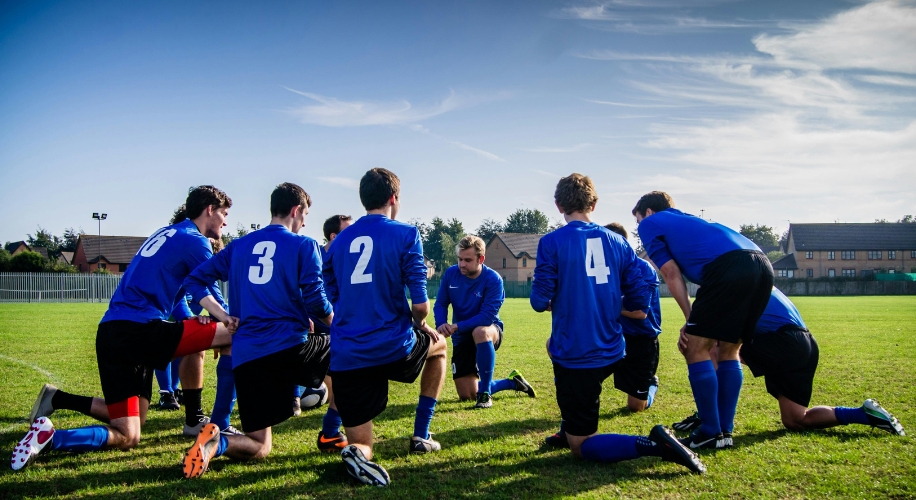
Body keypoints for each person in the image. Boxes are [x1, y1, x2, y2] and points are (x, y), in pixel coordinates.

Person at [12, 186, 237, 471]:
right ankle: (208, 422)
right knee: (232, 334)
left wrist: (198, 323)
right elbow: (211, 290)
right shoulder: (196, 241)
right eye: (224, 214)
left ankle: (50, 435)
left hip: (111, 332)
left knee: (129, 432)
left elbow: (173, 297)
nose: (225, 222)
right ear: (209, 209)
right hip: (139, 331)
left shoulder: (166, 233)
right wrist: (227, 321)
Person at [531, 174, 704, 474]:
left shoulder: (551, 242)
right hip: (614, 348)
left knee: (581, 446)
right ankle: (570, 422)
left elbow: (538, 300)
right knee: (558, 356)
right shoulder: (618, 243)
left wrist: (553, 298)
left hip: (577, 354)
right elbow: (642, 289)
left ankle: (653, 444)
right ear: (594, 204)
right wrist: (614, 302)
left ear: (558, 205)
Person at [180, 182, 341, 478]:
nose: (305, 222)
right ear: (296, 210)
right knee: (351, 357)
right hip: (289, 349)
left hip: (247, 356)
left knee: (259, 445)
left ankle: (215, 444)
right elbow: (318, 301)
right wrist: (340, 325)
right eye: (305, 215)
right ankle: (332, 432)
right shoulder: (305, 244)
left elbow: (193, 280)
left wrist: (222, 315)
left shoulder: (240, 245)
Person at [324, 168, 447, 486]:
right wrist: (420, 324)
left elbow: (330, 300)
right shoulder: (406, 234)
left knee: (363, 443)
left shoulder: (336, 244)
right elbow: (420, 306)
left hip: (349, 354)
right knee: (441, 348)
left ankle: (356, 454)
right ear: (394, 198)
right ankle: (421, 434)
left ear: (364, 199)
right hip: (393, 346)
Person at [633, 191, 773, 450]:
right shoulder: (686, 221)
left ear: (648, 213)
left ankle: (710, 430)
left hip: (729, 267)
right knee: (729, 349)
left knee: (695, 347)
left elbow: (670, 272)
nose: (640, 227)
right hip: (762, 264)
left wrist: (690, 318)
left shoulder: (652, 223)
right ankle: (724, 432)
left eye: (638, 221)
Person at [672, 288, 905, 436]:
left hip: (783, 341)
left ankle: (709, 420)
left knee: (712, 348)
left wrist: (691, 332)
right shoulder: (751, 275)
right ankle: (862, 414)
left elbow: (716, 334)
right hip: (804, 344)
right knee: (796, 420)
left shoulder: (731, 282)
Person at [434, 235, 535, 409]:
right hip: (461, 336)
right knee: (467, 395)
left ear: (481, 259)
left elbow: (486, 317)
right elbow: (441, 303)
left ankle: (485, 394)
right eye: (460, 259)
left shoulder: (493, 279)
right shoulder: (451, 274)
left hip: (489, 331)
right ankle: (512, 382)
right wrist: (441, 323)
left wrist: (456, 326)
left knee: (480, 331)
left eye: (467, 260)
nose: (462, 264)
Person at [292, 214, 352, 416]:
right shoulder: (312, 253)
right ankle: (294, 397)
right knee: (296, 352)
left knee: (340, 365)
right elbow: (298, 285)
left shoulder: (351, 259)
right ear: (334, 236)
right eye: (348, 231)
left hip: (339, 320)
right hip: (313, 318)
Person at [603, 223, 661, 412]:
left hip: (641, 338)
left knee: (636, 407)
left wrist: (605, 307)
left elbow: (639, 313)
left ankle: (651, 385)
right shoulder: (603, 268)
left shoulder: (642, 269)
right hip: (614, 335)